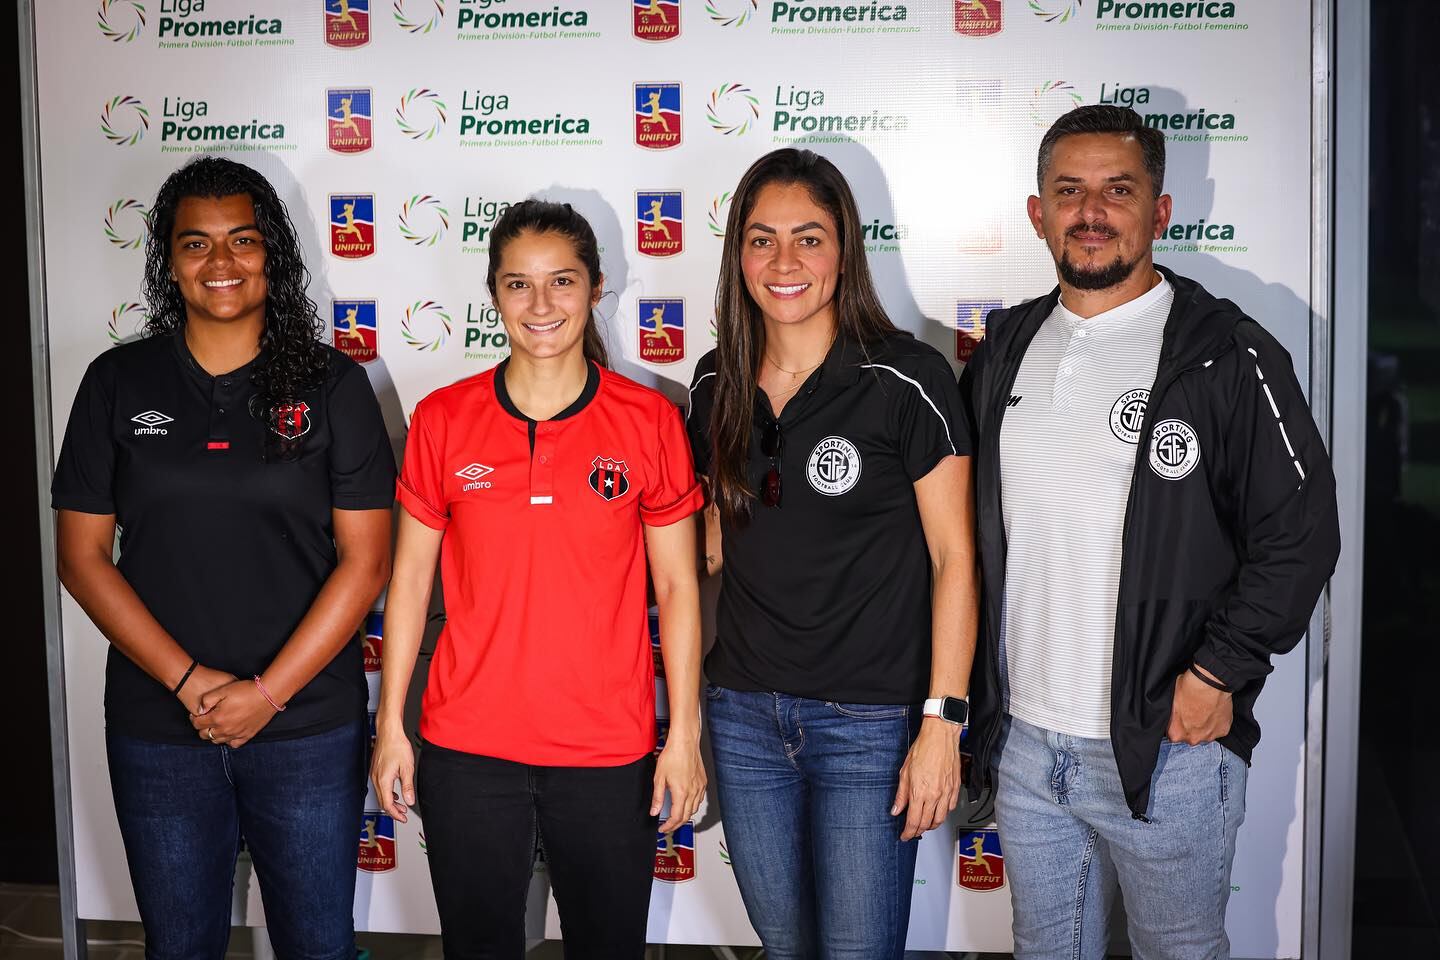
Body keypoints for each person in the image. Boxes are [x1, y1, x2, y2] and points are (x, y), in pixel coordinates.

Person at [959, 104, 1341, 959]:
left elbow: (1302, 535)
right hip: (1026, 743)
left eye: (1118, 190)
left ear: (1160, 211)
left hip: (1171, 745)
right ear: (1038, 213)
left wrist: (1217, 673)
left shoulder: (1227, 352)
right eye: (1070, 191)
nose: (1091, 212)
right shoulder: (1007, 346)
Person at [52, 155, 396, 959]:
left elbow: (367, 563)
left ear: (271, 251)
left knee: (318, 946)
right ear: (169, 262)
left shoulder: (333, 383)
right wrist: (187, 682)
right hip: (160, 724)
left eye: (242, 239)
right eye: (196, 243)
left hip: (307, 724)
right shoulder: (116, 381)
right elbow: (81, 557)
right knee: (179, 947)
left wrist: (266, 694)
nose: (221, 262)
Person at [370, 200, 706, 958]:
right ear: (494, 293)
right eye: (519, 284)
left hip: (607, 753)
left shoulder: (649, 420)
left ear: (595, 288)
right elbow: (411, 580)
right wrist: (391, 725)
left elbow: (679, 589)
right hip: (468, 750)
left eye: (562, 281)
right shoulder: (443, 420)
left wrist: (682, 735)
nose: (541, 304)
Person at [685, 148, 979, 959]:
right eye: (762, 239)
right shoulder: (714, 383)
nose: (784, 262)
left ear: (845, 250)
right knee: (785, 946)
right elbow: (710, 548)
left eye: (808, 238)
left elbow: (955, 560)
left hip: (870, 723)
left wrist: (942, 724)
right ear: (738, 254)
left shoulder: (907, 379)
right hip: (744, 714)